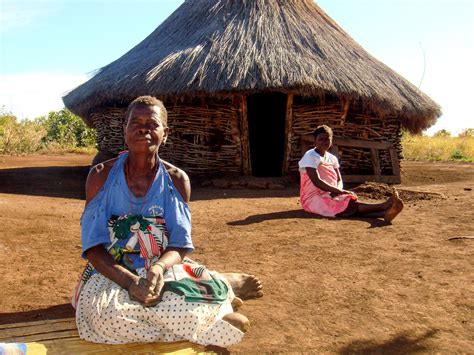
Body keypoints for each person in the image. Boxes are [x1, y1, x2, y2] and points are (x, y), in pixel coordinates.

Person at [73, 96, 263, 348]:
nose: (143, 128)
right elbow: (93, 247)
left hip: (162, 268)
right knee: (104, 318)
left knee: (175, 301)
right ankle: (215, 315)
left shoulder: (176, 180)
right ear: (124, 129)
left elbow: (180, 244)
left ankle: (221, 289)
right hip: (112, 270)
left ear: (166, 133)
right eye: (135, 122)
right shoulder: (101, 177)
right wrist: (130, 282)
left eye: (152, 123)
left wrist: (158, 269)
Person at [298, 125, 404, 221]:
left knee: (348, 200)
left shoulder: (332, 158)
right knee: (345, 204)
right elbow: (316, 181)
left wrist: (339, 190)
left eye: (327, 139)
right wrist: (339, 191)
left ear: (331, 141)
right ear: (315, 142)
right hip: (313, 198)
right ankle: (384, 206)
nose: (324, 142)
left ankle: (384, 214)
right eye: (320, 139)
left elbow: (339, 179)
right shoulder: (310, 156)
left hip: (331, 192)